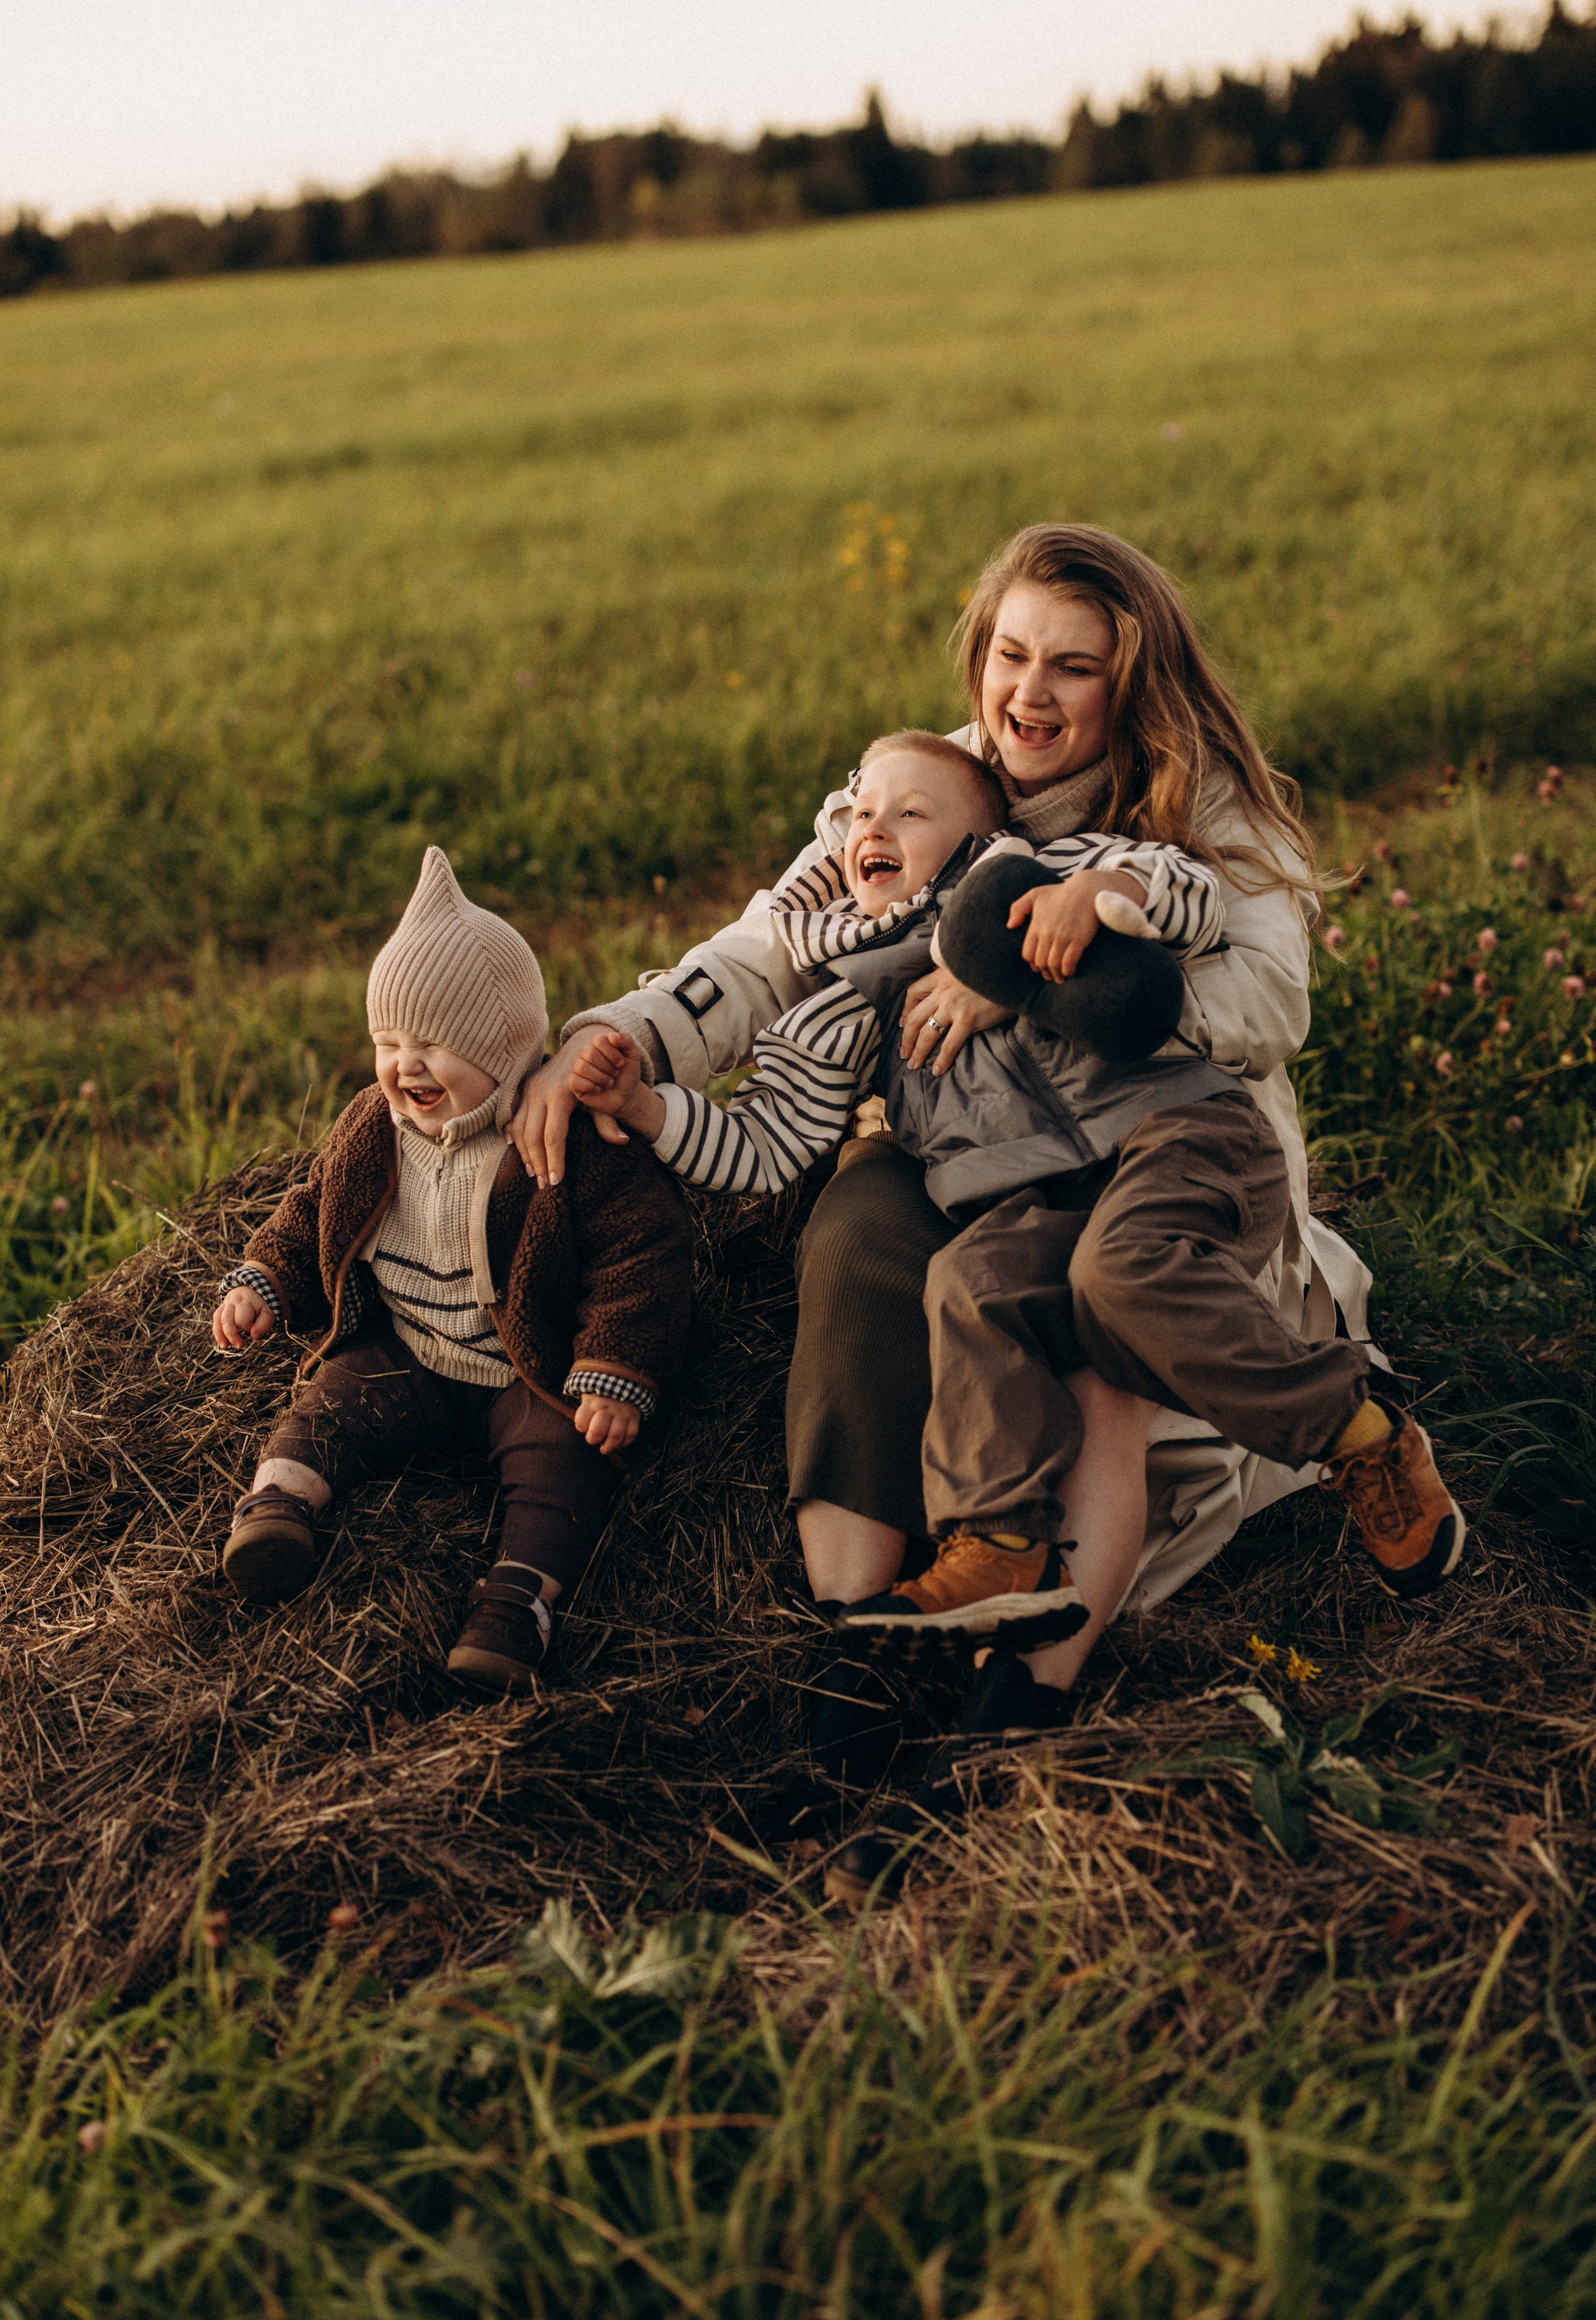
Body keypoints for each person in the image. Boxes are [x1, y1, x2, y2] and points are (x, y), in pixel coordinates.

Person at [509, 524, 1465, 1880]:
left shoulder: (1192, 810)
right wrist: (626, 1043)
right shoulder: (935, 782)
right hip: (977, 1140)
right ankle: (852, 1661)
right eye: (1009, 654)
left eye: (1070, 668)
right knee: (851, 1234)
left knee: (1094, 1326)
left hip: (1159, 1137)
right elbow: (773, 935)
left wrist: (1033, 959)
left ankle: (1012, 1717)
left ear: (1129, 684)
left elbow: (1267, 1002)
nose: (1027, 692)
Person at [569, 727, 1225, 1716]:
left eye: (911, 815)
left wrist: (1075, 913)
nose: (873, 828)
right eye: (861, 813)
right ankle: (865, 1655)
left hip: (1126, 1158)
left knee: (1100, 1345)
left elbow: (1190, 893)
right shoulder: (836, 1007)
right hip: (992, 1200)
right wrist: (648, 1110)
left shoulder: (1043, 876)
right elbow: (760, 1147)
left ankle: (1030, 1693)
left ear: (974, 850)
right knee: (920, 1286)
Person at [210, 847, 693, 1696]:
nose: (405, 1065)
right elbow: (312, 1204)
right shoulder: (372, 1127)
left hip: (526, 1371)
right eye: (388, 1043)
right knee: (329, 1402)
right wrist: (265, 1279)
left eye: (432, 1043)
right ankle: (280, 1508)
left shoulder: (566, 1142)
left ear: (507, 1047)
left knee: (563, 1467)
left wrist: (615, 1369)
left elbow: (643, 1253)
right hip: (412, 1351)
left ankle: (518, 1601)